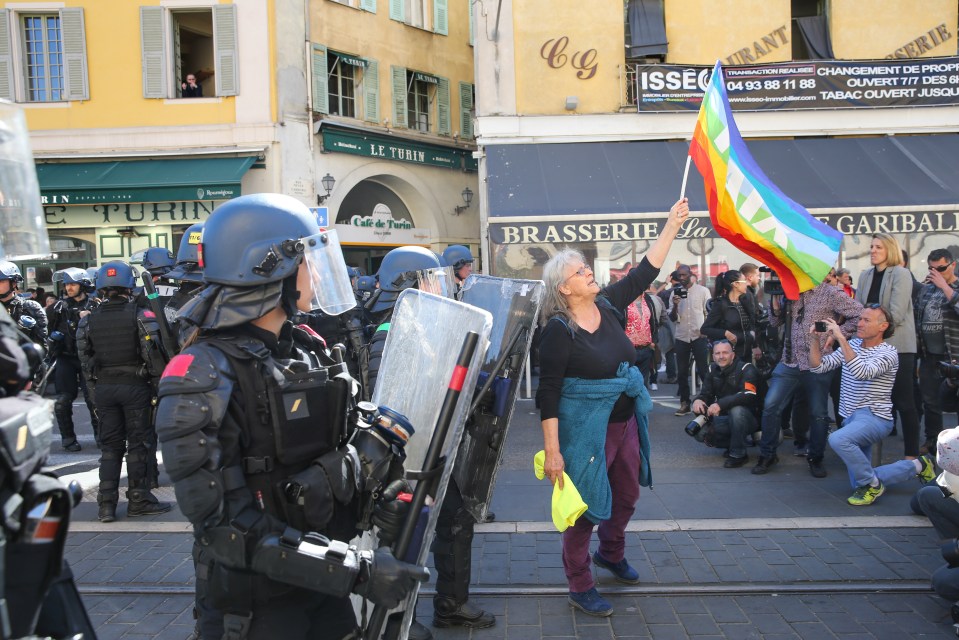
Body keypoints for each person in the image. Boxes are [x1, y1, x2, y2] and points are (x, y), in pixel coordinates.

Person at [155, 194, 427, 639]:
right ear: (270, 267)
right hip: (258, 607)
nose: (319, 273)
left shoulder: (306, 348)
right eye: (309, 260)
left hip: (323, 589)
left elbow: (323, 463)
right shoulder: (199, 375)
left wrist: (375, 501)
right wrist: (357, 573)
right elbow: (225, 529)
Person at [537, 198, 689, 617]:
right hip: (585, 429)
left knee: (626, 495)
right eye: (581, 272)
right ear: (564, 288)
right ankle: (579, 583)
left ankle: (611, 553)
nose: (590, 273)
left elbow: (645, 271)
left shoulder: (607, 305)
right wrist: (553, 451)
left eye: (588, 269)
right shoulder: (557, 330)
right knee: (583, 508)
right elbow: (547, 393)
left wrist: (671, 226)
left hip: (624, 424)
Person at [366, 246, 490, 639]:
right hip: (406, 462)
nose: (440, 287)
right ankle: (395, 618)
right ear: (411, 284)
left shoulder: (418, 325)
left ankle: (449, 604)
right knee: (402, 536)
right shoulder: (390, 335)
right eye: (430, 279)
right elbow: (388, 406)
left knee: (454, 520)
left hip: (432, 450)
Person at [76, 261, 172, 522]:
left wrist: (96, 396)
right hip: (135, 388)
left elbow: (85, 365)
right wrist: (157, 391)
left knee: (110, 448)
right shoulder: (141, 315)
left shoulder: (88, 321)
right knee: (138, 445)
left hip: (105, 389)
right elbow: (152, 359)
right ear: (130, 286)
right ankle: (138, 499)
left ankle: (106, 504)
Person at [813, 308, 922, 505]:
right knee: (859, 482)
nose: (860, 324)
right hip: (851, 418)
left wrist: (840, 338)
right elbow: (819, 367)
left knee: (838, 439)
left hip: (875, 418)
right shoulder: (853, 343)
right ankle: (917, 466)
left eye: (866, 320)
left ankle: (872, 485)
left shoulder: (888, 353)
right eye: (860, 319)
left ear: (883, 326)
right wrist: (813, 339)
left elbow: (862, 372)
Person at [752, 282, 862, 477]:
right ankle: (767, 454)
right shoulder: (788, 290)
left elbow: (859, 314)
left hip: (819, 360)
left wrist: (837, 333)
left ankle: (816, 457)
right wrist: (776, 308)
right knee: (771, 405)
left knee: (818, 412)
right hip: (790, 360)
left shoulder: (830, 292)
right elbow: (775, 322)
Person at [855, 233, 921, 460]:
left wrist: (871, 328)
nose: (873, 250)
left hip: (898, 347)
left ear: (889, 250)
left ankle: (911, 455)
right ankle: (869, 454)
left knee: (904, 400)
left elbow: (897, 313)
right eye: (872, 247)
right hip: (870, 348)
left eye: (878, 247)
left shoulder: (901, 274)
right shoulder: (864, 275)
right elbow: (858, 311)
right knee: (870, 401)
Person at [47, 268, 100, 451]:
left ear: (83, 285)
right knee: (62, 401)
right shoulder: (58, 308)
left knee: (94, 399)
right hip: (66, 358)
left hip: (88, 358)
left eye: (73, 284)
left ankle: (100, 436)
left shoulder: (95, 305)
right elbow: (48, 332)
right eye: (67, 284)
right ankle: (68, 438)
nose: (69, 288)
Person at [915, 249, 959, 455]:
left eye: (940, 268)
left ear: (953, 265)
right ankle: (933, 441)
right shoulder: (927, 289)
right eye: (932, 269)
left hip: (954, 357)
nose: (936, 273)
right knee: (930, 401)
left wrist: (945, 287)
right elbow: (917, 317)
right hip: (929, 356)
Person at [690, 339, 759, 467]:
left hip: (751, 419)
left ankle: (739, 454)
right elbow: (706, 394)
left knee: (736, 410)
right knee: (699, 432)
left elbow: (748, 395)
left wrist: (720, 404)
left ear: (733, 355)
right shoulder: (712, 369)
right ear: (713, 355)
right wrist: (698, 401)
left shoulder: (746, 368)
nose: (721, 356)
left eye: (725, 353)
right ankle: (732, 444)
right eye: (717, 353)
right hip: (725, 417)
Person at [668, 264, 711, 416]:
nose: (681, 278)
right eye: (679, 276)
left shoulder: (702, 291)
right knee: (682, 372)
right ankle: (684, 402)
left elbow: (709, 313)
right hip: (682, 336)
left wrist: (706, 332)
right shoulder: (675, 293)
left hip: (699, 335)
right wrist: (674, 305)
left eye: (684, 275)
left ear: (690, 274)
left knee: (703, 370)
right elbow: (672, 318)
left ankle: (707, 402)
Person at [700, 270, 760, 364]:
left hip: (746, 355)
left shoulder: (745, 301)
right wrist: (725, 333)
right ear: (735, 284)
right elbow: (705, 329)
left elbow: (751, 325)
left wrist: (755, 345)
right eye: (744, 280)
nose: (747, 284)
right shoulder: (721, 304)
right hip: (729, 357)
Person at [0, 262, 47, 344]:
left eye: (1, 281)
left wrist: (24, 331)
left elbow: (41, 346)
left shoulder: (30, 307)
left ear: (13, 283)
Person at [624, 290, 659, 389]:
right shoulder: (624, 298)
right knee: (629, 384)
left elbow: (653, 321)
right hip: (628, 350)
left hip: (645, 348)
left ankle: (641, 404)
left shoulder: (647, 299)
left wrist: (654, 341)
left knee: (643, 385)